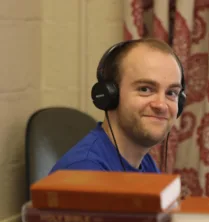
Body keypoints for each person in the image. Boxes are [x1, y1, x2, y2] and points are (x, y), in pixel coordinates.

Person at [49, 38, 186, 174]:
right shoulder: (84, 171)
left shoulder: (145, 163)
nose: (161, 105)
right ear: (110, 95)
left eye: (171, 93)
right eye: (145, 89)